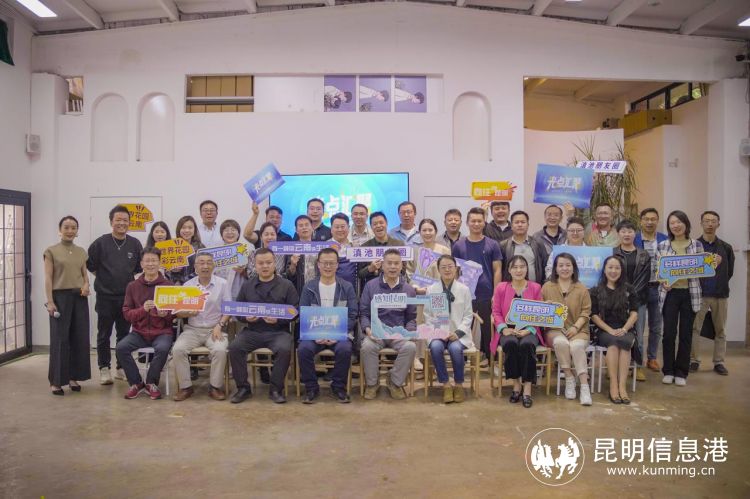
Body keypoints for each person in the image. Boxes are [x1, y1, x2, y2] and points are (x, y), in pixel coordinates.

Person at [228, 248, 299, 404]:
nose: (265, 266)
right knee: (235, 347)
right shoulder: (247, 285)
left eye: (268, 262)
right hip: (253, 331)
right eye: (261, 263)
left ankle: (276, 389)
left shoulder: (286, 285)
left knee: (284, 349)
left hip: (278, 332)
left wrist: (278, 320)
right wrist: (245, 317)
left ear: (275, 264)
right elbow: (238, 310)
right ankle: (243, 388)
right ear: (255, 265)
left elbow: (295, 312)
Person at [87, 204, 143, 385]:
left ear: (129, 223)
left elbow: (137, 269)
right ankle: (104, 368)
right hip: (105, 297)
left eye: (125, 220)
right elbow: (91, 266)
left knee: (124, 334)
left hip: (126, 298)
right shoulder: (100, 243)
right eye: (118, 220)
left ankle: (120, 367)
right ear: (111, 221)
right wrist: (105, 279)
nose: (122, 223)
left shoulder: (135, 244)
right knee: (104, 334)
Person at [298, 247, 358, 404]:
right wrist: (315, 335)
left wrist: (336, 334)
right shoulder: (309, 287)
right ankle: (311, 388)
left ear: (337, 265)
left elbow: (352, 315)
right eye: (324, 263)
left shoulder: (347, 287)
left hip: (339, 334)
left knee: (345, 349)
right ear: (318, 264)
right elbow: (303, 313)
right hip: (314, 334)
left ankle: (338, 387)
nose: (328, 266)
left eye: (332, 263)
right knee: (304, 349)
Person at [116, 247, 174, 400]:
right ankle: (136, 383)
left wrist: (165, 315)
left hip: (162, 332)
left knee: (162, 348)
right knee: (121, 348)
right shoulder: (132, 286)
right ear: (141, 264)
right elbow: (127, 314)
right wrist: (143, 310)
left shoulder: (168, 286)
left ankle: (151, 383)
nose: (150, 264)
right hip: (139, 332)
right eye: (147, 261)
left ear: (159, 263)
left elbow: (174, 316)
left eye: (154, 260)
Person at [172, 253, 231, 401]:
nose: (205, 266)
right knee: (178, 349)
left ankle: (215, 387)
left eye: (209, 263)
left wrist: (220, 325)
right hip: (192, 330)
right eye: (201, 263)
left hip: (215, 329)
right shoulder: (188, 285)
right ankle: (186, 387)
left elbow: (228, 310)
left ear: (214, 266)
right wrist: (187, 312)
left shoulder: (223, 284)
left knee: (220, 350)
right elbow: (178, 313)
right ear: (195, 267)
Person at [359, 249, 417, 400]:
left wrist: (409, 332)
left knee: (410, 347)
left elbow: (411, 317)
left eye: (396, 263)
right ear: (382, 265)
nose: (392, 267)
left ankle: (395, 382)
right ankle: (372, 384)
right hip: (376, 332)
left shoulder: (408, 289)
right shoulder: (370, 286)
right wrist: (368, 330)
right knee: (367, 346)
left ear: (401, 266)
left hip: (398, 333)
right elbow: (364, 313)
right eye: (389, 263)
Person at [44, 216, 91, 396]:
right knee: (60, 339)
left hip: (79, 297)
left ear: (77, 231)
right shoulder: (51, 251)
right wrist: (50, 301)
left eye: (73, 227)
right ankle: (56, 381)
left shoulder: (81, 252)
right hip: (60, 297)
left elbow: (85, 275)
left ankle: (73, 377)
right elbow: (48, 278)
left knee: (79, 338)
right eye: (66, 227)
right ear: (60, 230)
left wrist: (86, 285)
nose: (70, 230)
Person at [657, 210, 704, 387]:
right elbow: (657, 269)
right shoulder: (663, 245)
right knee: (669, 334)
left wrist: (712, 263)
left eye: (679, 222)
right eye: (672, 223)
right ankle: (668, 370)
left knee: (686, 334)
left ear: (686, 224)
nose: (676, 226)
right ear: (669, 226)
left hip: (690, 294)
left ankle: (681, 372)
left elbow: (702, 268)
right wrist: (663, 281)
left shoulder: (696, 245)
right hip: (670, 294)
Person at [491, 255, 544, 408]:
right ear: (509, 270)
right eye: (515, 267)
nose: (519, 270)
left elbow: (540, 313)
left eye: (522, 267)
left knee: (527, 345)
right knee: (511, 344)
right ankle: (516, 384)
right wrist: (503, 328)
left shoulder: (536, 287)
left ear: (527, 269)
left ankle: (527, 387)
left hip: (529, 329)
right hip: (507, 330)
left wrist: (529, 330)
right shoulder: (501, 287)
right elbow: (496, 312)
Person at [452, 207, 503, 360]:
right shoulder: (458, 245)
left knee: (488, 329)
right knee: (463, 327)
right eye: (473, 221)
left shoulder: (492, 244)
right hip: (465, 295)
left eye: (479, 221)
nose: (476, 224)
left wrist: (495, 294)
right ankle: (462, 360)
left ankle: (490, 360)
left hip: (486, 294)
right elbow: (455, 271)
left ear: (484, 223)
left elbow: (497, 270)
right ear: (467, 223)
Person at [542, 253, 593, 406]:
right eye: (561, 265)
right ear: (555, 269)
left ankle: (584, 386)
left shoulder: (582, 288)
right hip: (555, 330)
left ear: (573, 268)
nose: (564, 268)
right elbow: (539, 312)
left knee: (576, 346)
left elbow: (586, 312)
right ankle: (569, 378)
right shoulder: (547, 287)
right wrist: (545, 307)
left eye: (568, 265)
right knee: (561, 343)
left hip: (579, 330)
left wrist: (576, 327)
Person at [425, 255, 474, 403]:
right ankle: (446, 384)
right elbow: (428, 316)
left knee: (455, 348)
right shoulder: (432, 290)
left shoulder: (464, 290)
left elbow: (468, 315)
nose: (447, 270)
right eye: (443, 267)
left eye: (450, 266)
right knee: (435, 347)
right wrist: (440, 332)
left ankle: (458, 385)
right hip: (438, 333)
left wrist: (457, 333)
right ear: (438, 270)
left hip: (458, 334)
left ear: (456, 268)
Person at [690, 211, 734, 376]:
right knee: (694, 328)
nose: (710, 224)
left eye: (713, 221)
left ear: (718, 224)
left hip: (719, 294)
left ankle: (719, 362)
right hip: (699, 294)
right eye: (706, 221)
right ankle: (694, 360)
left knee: (720, 329)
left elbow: (729, 272)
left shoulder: (726, 248)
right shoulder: (694, 246)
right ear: (701, 223)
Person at [591, 255, 639, 404]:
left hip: (626, 328)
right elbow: (594, 316)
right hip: (604, 330)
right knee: (613, 343)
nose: (613, 271)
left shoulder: (629, 289)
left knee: (625, 343)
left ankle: (622, 386)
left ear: (621, 270)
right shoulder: (596, 291)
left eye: (617, 268)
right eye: (610, 267)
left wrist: (624, 329)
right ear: (604, 270)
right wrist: (610, 330)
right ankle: (613, 384)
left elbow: (634, 313)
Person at [613, 220, 651, 381]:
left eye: (630, 231)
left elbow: (644, 279)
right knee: (617, 332)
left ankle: (638, 367)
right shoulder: (612, 253)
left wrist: (630, 294)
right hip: (616, 300)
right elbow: (609, 275)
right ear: (618, 234)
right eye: (623, 231)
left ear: (635, 234)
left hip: (638, 300)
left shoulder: (644, 255)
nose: (626, 234)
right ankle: (614, 367)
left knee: (638, 334)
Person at [633, 208, 668, 372]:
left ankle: (652, 358)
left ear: (657, 221)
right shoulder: (634, 238)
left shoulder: (664, 239)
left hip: (658, 287)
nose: (649, 222)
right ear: (641, 221)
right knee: (638, 327)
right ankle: (638, 361)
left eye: (653, 219)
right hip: (639, 289)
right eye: (646, 219)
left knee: (656, 326)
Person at [499, 210, 548, 285]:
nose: (520, 225)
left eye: (523, 222)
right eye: (516, 222)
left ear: (528, 225)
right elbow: (500, 269)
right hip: (511, 288)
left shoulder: (538, 244)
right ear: (511, 226)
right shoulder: (503, 245)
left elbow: (545, 266)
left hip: (535, 288)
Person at [357, 211, 402, 288]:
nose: (378, 226)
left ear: (386, 223)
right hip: (372, 288)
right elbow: (359, 274)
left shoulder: (399, 245)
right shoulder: (364, 247)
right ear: (371, 227)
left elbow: (403, 271)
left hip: (395, 287)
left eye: (381, 223)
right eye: (375, 224)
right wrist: (370, 269)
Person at [212, 219, 247, 300]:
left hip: (237, 291)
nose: (230, 232)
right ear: (222, 234)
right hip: (218, 291)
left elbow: (250, 274)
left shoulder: (244, 249)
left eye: (233, 230)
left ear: (238, 234)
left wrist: (243, 272)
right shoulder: (216, 252)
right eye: (226, 230)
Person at [167, 215, 205, 286]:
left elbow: (203, 268)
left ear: (194, 230)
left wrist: (182, 281)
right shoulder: (171, 246)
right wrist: (172, 270)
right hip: (174, 286)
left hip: (195, 285)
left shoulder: (200, 247)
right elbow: (165, 271)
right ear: (179, 229)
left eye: (190, 228)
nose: (187, 230)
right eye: (183, 228)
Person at [286, 215, 319, 296]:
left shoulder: (320, 247)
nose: (304, 227)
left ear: (312, 227)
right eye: (301, 226)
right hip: (299, 291)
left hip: (318, 289)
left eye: (307, 225)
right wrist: (293, 264)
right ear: (296, 230)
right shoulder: (291, 248)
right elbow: (289, 276)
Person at [329, 213, 357, 290]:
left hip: (352, 289)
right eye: (337, 227)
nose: (340, 230)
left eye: (342, 227)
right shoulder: (324, 247)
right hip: (330, 289)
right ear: (331, 229)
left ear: (348, 227)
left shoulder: (355, 246)